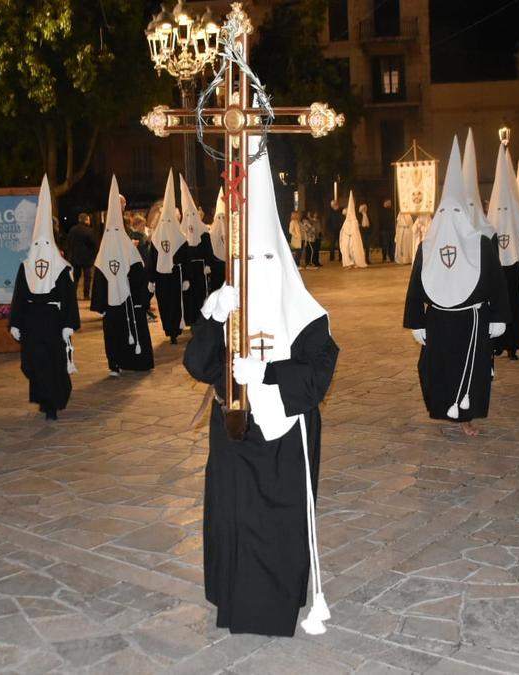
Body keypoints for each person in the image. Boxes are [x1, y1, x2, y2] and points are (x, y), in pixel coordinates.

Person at [184, 133, 339, 637]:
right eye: (249, 262)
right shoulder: (230, 299)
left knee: (276, 524)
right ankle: (234, 600)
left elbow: (318, 376)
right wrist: (210, 319)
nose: (257, 272)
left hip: (283, 439)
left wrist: (268, 374)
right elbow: (196, 364)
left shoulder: (305, 312)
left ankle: (278, 602)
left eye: (266, 261)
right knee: (233, 517)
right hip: (232, 432)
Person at [404, 138, 507, 438]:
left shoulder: (481, 246)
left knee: (471, 372)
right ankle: (444, 408)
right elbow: (415, 286)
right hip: (438, 321)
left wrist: (499, 317)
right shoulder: (427, 247)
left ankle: (465, 417)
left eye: (456, 214)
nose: (449, 221)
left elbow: (496, 283)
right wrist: (416, 321)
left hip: (472, 322)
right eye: (444, 214)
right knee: (436, 369)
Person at [9, 176, 80, 420]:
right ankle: (43, 399)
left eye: (44, 242)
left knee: (52, 362)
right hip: (31, 321)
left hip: (52, 321)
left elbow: (67, 297)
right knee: (33, 363)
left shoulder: (61, 268)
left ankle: (52, 402)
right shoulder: (25, 266)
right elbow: (19, 295)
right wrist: (15, 323)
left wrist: (69, 323)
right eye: (36, 242)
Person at [91, 176, 154, 375]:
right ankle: (115, 364)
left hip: (129, 302)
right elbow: (100, 277)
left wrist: (140, 300)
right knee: (113, 334)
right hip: (111, 305)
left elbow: (137, 274)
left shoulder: (129, 248)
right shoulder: (105, 249)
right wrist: (100, 305)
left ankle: (136, 362)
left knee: (133, 330)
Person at [485, 143, 519, 360]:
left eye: (506, 209)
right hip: (497, 275)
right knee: (496, 310)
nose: (502, 213)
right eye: (499, 209)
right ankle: (496, 345)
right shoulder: (489, 228)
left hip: (516, 275)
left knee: (515, 312)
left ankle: (513, 346)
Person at [149, 172, 188, 344]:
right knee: (164, 304)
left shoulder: (180, 237)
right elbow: (152, 259)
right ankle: (169, 328)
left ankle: (175, 330)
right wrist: (150, 279)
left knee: (174, 304)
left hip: (175, 276)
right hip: (161, 277)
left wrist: (186, 277)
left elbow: (185, 258)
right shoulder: (156, 238)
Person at [179, 176, 215, 326]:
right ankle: (191, 319)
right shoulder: (181, 236)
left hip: (201, 270)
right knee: (189, 297)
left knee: (200, 294)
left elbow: (209, 250)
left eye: (193, 215)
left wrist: (208, 264)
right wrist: (184, 276)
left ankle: (202, 318)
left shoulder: (204, 234)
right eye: (188, 215)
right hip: (188, 271)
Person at [67, 212, 99, 300]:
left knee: (76, 277)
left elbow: (69, 243)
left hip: (75, 258)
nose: (89, 221)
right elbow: (94, 245)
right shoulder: (89, 231)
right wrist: (96, 255)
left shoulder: (72, 230)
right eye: (88, 219)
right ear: (85, 220)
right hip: (87, 258)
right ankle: (86, 295)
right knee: (87, 277)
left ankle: (73, 295)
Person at [338, 192, 368, 268]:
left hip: (354, 238)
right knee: (347, 250)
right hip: (347, 238)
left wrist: (352, 233)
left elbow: (355, 230)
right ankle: (349, 263)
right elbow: (344, 230)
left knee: (354, 250)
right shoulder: (346, 221)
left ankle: (355, 262)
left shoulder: (355, 221)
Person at [208, 188, 227, 291]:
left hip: (227, 267)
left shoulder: (232, 232)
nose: (221, 221)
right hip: (215, 267)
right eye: (219, 218)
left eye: (223, 217)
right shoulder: (210, 233)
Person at [377, 198, 396, 262]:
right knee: (385, 244)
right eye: (388, 203)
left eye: (390, 203)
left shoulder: (393, 210)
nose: (390, 204)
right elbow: (380, 221)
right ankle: (384, 256)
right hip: (384, 230)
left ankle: (391, 256)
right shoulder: (381, 211)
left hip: (391, 229)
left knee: (391, 244)